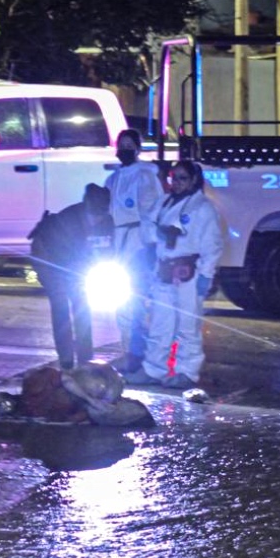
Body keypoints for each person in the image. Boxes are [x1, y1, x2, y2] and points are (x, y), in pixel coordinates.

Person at [122, 161, 223, 389]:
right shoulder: (163, 202)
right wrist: (160, 233)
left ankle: (187, 372)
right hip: (164, 270)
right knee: (160, 324)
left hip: (190, 273)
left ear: (194, 180)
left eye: (182, 178)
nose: (176, 183)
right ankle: (153, 369)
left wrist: (206, 275)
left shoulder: (203, 208)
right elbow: (146, 229)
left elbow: (212, 245)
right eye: (173, 178)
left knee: (187, 326)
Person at [28, 183, 115, 370]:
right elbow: (63, 257)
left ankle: (85, 359)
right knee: (61, 307)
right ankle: (66, 360)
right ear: (87, 205)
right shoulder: (69, 221)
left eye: (102, 213)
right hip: (49, 261)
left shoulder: (107, 221)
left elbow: (108, 251)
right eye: (95, 214)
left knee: (82, 308)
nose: (98, 218)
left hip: (75, 266)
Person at [103, 128, 162, 374]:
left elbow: (152, 213)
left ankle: (143, 355)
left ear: (137, 149)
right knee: (121, 301)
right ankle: (128, 351)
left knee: (137, 301)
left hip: (137, 244)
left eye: (130, 145)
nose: (125, 149)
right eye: (122, 145)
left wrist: (148, 246)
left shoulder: (145, 176)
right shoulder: (113, 179)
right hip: (118, 245)